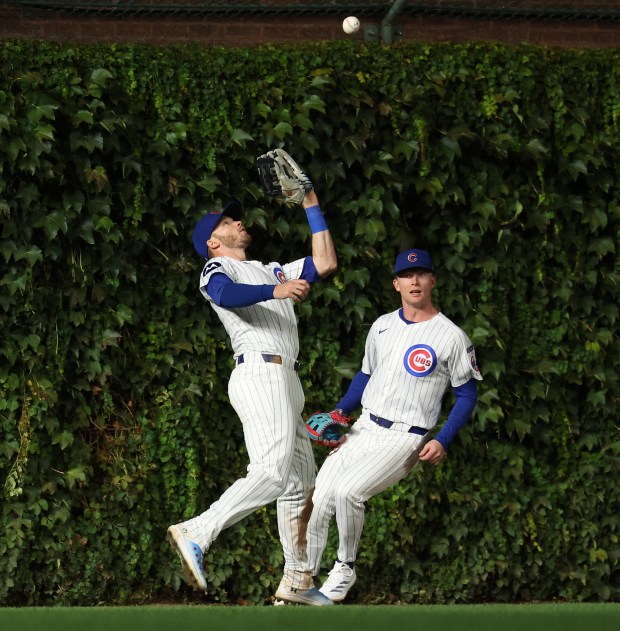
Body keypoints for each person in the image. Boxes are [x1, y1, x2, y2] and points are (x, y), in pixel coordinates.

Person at [167, 187, 337, 606]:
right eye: (227, 221)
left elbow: (326, 262)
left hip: (286, 379)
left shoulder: (273, 268)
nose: (238, 222)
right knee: (272, 472)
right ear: (213, 241)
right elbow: (224, 295)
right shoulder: (217, 268)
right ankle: (197, 532)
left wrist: (311, 205)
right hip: (259, 372)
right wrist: (274, 292)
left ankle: (297, 581)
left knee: (303, 485)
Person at [305, 248, 482, 602]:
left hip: (406, 436)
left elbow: (467, 395)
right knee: (320, 496)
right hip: (364, 428)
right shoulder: (382, 326)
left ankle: (344, 567)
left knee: (348, 492)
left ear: (432, 280)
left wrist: (443, 439)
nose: (414, 280)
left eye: (421, 274)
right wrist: (340, 412)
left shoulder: (451, 336)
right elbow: (364, 376)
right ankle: (301, 578)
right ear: (396, 283)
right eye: (406, 275)